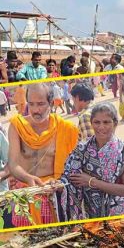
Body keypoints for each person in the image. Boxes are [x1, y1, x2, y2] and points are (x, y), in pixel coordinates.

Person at [8, 83, 79, 226]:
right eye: (31, 104)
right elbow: (13, 164)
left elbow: (75, 167)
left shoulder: (66, 128)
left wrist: (58, 181)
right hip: (26, 193)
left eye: (40, 104)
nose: (35, 110)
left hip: (53, 193)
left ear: (51, 103)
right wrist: (28, 178)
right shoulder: (17, 126)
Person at [59, 103, 124, 220]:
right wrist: (56, 185)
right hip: (94, 215)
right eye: (97, 122)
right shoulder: (82, 149)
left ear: (115, 124)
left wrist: (92, 181)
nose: (101, 127)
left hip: (121, 214)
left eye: (106, 122)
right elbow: (69, 178)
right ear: (91, 123)